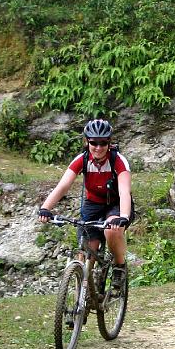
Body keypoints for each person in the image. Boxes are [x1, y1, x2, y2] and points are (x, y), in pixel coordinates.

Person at [37, 118, 132, 289]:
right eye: (93, 142)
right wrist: (46, 208)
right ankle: (82, 296)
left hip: (116, 204)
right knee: (87, 252)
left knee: (111, 230)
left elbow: (125, 191)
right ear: (87, 141)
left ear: (109, 143)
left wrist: (123, 217)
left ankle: (119, 267)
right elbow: (63, 185)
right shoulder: (82, 159)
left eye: (103, 143)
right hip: (93, 204)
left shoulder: (118, 161)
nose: (98, 147)